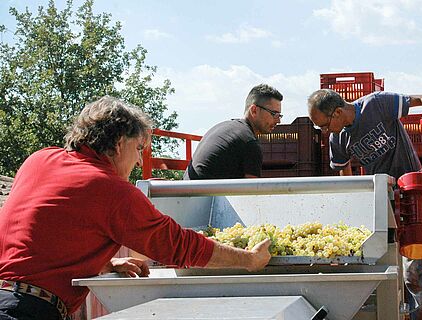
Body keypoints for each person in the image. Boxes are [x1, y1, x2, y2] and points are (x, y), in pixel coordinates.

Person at [0, 96, 271, 320]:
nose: (141, 161)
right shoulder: (110, 189)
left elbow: (42, 235)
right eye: (139, 148)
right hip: (27, 313)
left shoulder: (39, 159)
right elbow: (177, 245)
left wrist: (104, 264)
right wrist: (248, 259)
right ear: (119, 144)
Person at [307, 89, 422, 320]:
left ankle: (417, 316)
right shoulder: (338, 138)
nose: (325, 131)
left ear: (338, 112)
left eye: (324, 125)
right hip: (382, 201)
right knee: (386, 264)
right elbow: (345, 172)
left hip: (412, 196)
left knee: (416, 270)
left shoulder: (377, 104)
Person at [183, 84, 283, 180]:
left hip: (186, 192)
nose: (278, 121)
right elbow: (252, 193)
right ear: (254, 110)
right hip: (206, 196)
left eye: (279, 115)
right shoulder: (249, 142)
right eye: (274, 114)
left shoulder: (224, 127)